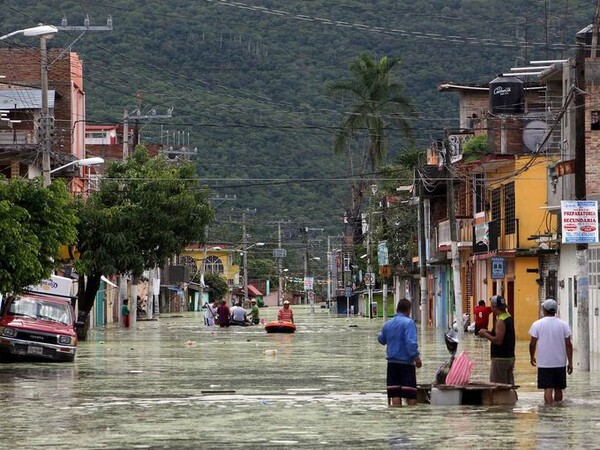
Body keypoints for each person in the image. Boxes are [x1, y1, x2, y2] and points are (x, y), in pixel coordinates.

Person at [377, 298, 422, 406]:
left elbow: (381, 340)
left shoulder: (387, 324)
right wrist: (417, 358)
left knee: (395, 393)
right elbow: (411, 344)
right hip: (406, 364)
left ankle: (397, 417)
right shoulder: (409, 323)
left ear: (397, 309)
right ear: (408, 310)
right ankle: (411, 418)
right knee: (410, 393)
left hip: (392, 364)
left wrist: (382, 333)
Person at [529, 299, 574, 405]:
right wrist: (570, 363)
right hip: (559, 362)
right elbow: (569, 345)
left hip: (544, 363)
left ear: (544, 310)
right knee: (558, 388)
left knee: (547, 388)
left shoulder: (537, 324)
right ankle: (558, 410)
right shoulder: (563, 325)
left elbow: (532, 344)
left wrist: (532, 357)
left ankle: (548, 411)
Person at [478, 295, 515, 385]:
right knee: (508, 386)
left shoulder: (500, 321)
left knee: (498, 387)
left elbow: (498, 340)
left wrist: (485, 335)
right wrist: (489, 332)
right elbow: (504, 335)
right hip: (509, 357)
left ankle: (502, 400)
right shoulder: (508, 317)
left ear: (494, 307)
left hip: (500, 359)